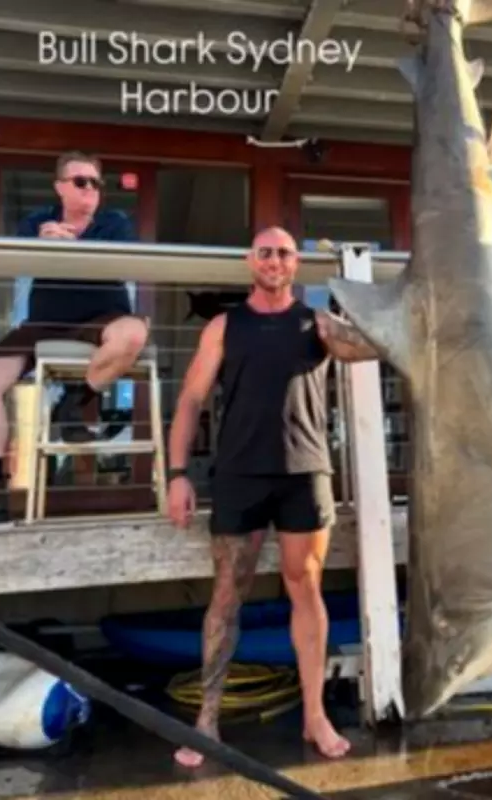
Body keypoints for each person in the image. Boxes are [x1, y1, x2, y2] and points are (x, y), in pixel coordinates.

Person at [166, 226, 379, 768]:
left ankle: (314, 715)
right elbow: (190, 400)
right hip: (238, 474)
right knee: (226, 595)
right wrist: (176, 473)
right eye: (265, 251)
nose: (275, 259)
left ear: (296, 263)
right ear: (250, 261)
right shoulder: (224, 326)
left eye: (284, 252)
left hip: (304, 474)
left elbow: (373, 347)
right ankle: (206, 721)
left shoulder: (318, 324)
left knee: (304, 586)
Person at [0, 151, 149, 532]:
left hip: (102, 319)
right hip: (43, 324)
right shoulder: (38, 219)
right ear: (59, 187)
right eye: (80, 181)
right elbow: (16, 261)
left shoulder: (114, 222)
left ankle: (74, 403)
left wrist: (74, 250)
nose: (90, 189)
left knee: (133, 333)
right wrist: (41, 243)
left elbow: (123, 264)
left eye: (96, 182)